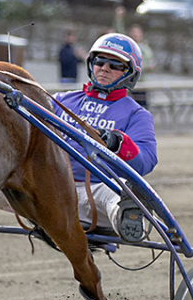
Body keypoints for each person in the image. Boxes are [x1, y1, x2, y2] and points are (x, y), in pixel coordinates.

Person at [54, 33, 158, 242]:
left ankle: (127, 220)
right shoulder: (60, 100)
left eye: (115, 65)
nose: (104, 68)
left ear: (129, 73)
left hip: (95, 190)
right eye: (100, 62)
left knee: (119, 193)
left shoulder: (136, 114)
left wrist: (117, 143)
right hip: (50, 186)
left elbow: (146, 161)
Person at [128, 24, 156, 108]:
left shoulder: (145, 48)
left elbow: (151, 62)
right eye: (134, 32)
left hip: (141, 82)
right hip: (128, 83)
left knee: (142, 106)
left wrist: (147, 66)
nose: (136, 34)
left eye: (137, 32)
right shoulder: (128, 47)